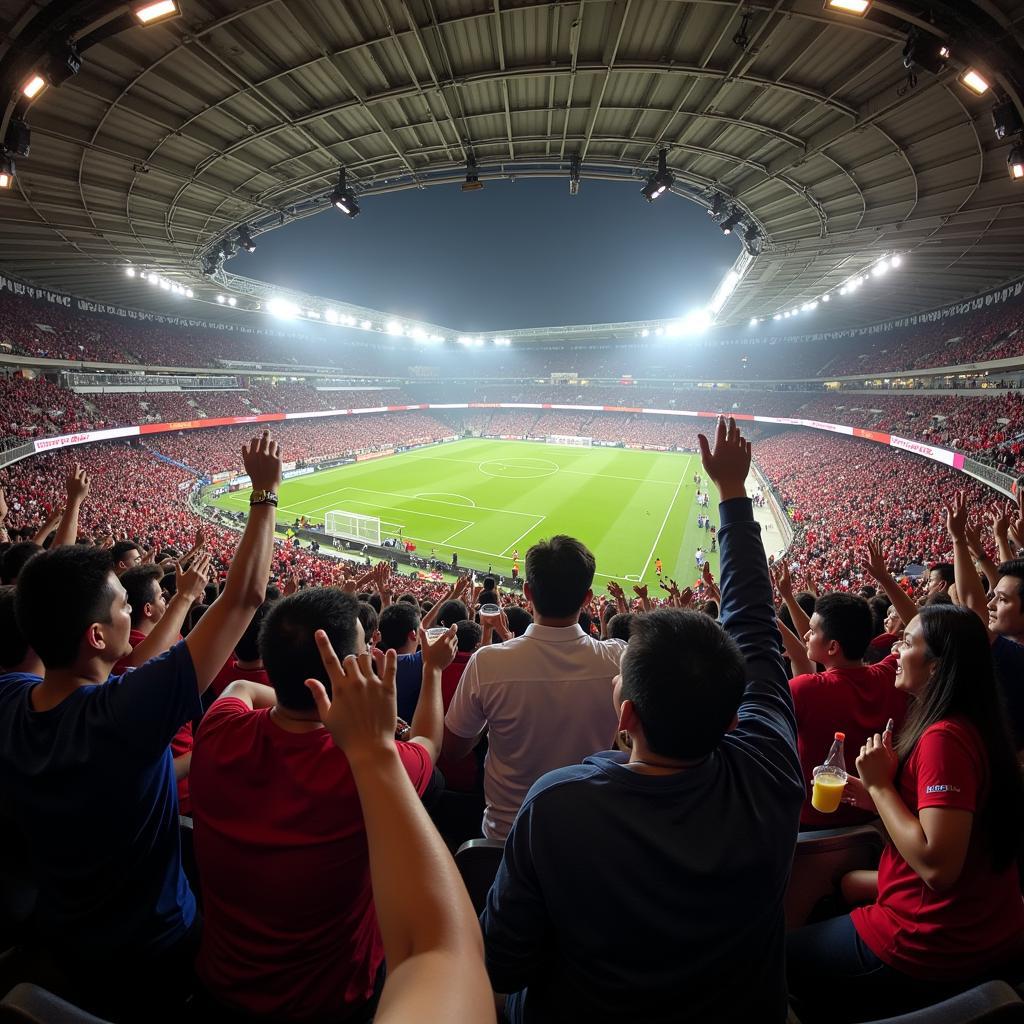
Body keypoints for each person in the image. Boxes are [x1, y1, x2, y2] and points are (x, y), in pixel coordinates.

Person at [482, 417, 804, 1023]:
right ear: (734, 717)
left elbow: (503, 963)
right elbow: (757, 633)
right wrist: (733, 496)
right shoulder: (770, 770)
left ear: (626, 715)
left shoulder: (558, 804)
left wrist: (732, 495)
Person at [0, 431, 282, 1021]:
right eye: (122, 605)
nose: (132, 608)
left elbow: (45, 595)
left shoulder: (12, 700)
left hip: (60, 935)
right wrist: (263, 495)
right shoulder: (120, 717)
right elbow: (244, 598)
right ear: (96, 636)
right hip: (153, 946)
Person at [189, 590, 457, 1022]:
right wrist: (431, 669)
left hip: (216, 989)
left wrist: (309, 699)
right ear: (341, 673)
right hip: (334, 1002)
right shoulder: (373, 764)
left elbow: (240, 687)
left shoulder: (218, 728)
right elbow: (430, 741)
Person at [787, 605, 1024, 1022]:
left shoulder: (943, 739)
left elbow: (938, 867)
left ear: (937, 667)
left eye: (908, 643)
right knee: (846, 884)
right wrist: (875, 796)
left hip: (932, 939)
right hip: (985, 920)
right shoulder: (976, 723)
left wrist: (880, 785)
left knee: (777, 958)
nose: (896, 648)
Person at [303, 631, 495, 1024]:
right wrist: (375, 744)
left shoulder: (222, 726)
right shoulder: (399, 763)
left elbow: (241, 687)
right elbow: (447, 952)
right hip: (345, 996)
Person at [443, 535, 625, 840]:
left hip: (503, 839)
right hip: (586, 837)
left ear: (527, 592)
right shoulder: (619, 659)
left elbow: (453, 749)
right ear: (587, 599)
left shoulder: (487, 663)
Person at [776, 566, 909, 829]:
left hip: (812, 825)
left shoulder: (804, 690)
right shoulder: (893, 673)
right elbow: (919, 624)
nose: (805, 635)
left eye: (812, 631)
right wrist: (788, 601)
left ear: (834, 646)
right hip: (878, 819)